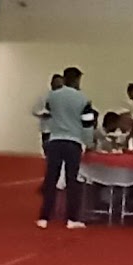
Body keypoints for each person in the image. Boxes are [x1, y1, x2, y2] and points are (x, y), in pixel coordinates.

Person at [38, 66, 95, 228]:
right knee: (72, 181)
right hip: (73, 142)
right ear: (77, 79)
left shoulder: (52, 96)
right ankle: (72, 219)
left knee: (51, 179)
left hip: (55, 140)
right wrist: (89, 143)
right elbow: (87, 123)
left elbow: (44, 114)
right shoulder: (83, 99)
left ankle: (44, 217)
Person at [33, 73, 65, 155]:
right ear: (51, 84)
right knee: (48, 153)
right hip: (47, 130)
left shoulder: (66, 98)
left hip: (61, 131)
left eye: (60, 84)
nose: (58, 86)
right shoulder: (44, 97)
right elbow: (35, 110)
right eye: (56, 83)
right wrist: (44, 113)